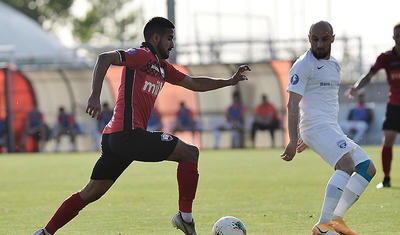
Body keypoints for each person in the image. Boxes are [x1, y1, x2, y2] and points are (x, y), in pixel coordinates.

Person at [33, 17, 250, 235]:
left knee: (90, 192)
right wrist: (94, 96)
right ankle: (185, 218)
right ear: (155, 38)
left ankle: (45, 232)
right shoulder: (141, 55)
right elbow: (103, 58)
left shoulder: (162, 67)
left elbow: (193, 83)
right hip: (127, 135)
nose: (172, 44)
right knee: (190, 153)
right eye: (169, 39)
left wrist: (229, 81)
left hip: (117, 139)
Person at [281, 21, 376, 235]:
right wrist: (293, 137)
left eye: (324, 39)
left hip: (330, 127)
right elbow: (293, 103)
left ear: (332, 38)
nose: (319, 44)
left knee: (367, 168)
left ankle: (337, 219)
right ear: (309, 38)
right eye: (315, 39)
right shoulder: (303, 65)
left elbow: (322, 101)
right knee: (346, 164)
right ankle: (323, 225)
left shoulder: (334, 65)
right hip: (315, 127)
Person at [347, 23, 400, 188]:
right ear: (393, 37)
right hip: (394, 105)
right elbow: (370, 74)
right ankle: (386, 179)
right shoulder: (386, 58)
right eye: (398, 36)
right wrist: (356, 87)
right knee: (388, 140)